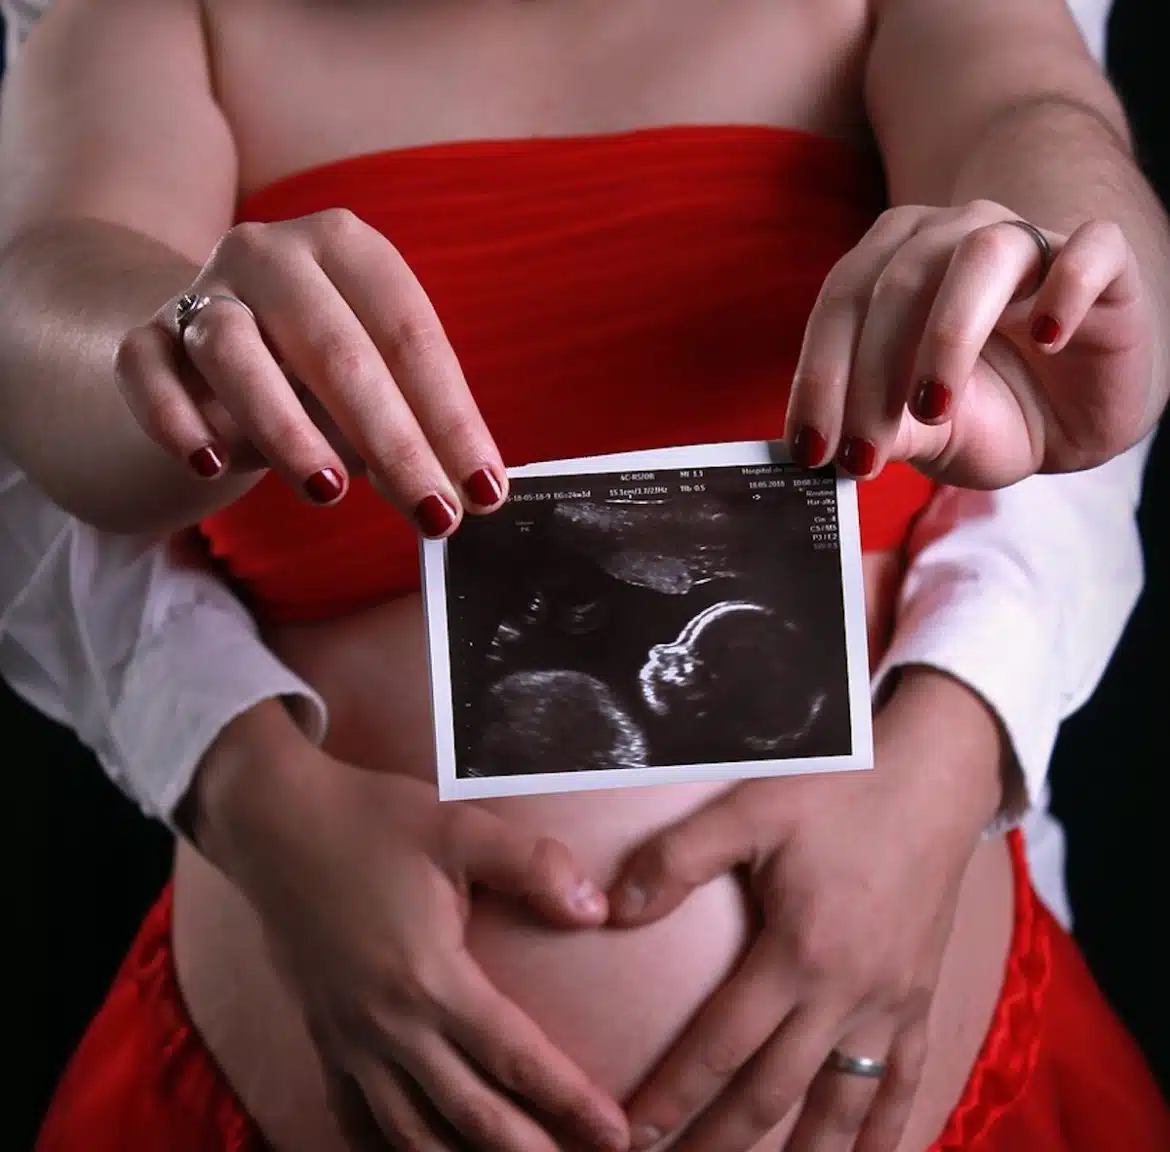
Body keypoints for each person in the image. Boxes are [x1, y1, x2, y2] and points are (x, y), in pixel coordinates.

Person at [1, 2, 1168, 1152]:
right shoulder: (156, 19)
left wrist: (1053, 273)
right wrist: (167, 352)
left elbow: (1040, 118)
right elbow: (51, 291)